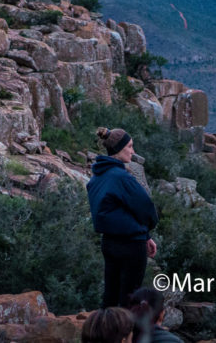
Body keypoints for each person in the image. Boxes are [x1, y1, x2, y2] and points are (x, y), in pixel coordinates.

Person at [86, 127, 159, 308]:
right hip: (131, 245)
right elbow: (146, 208)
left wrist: (146, 237)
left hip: (109, 243)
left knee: (110, 295)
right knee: (130, 298)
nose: (133, 152)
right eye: (129, 147)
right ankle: (125, 335)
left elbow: (119, 211)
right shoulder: (122, 178)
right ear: (118, 149)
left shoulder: (97, 177)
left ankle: (104, 332)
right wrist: (146, 230)